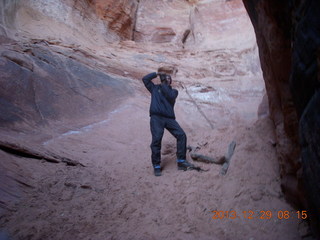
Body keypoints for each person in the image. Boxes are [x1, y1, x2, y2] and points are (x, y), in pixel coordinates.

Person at [142, 71, 195, 176]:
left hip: (169, 118)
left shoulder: (173, 92)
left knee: (181, 135)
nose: (167, 79)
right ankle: (156, 166)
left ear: (170, 81)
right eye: (166, 77)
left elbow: (168, 94)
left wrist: (164, 83)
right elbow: (145, 79)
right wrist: (156, 74)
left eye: (169, 78)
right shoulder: (154, 88)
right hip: (156, 117)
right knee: (157, 140)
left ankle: (181, 162)